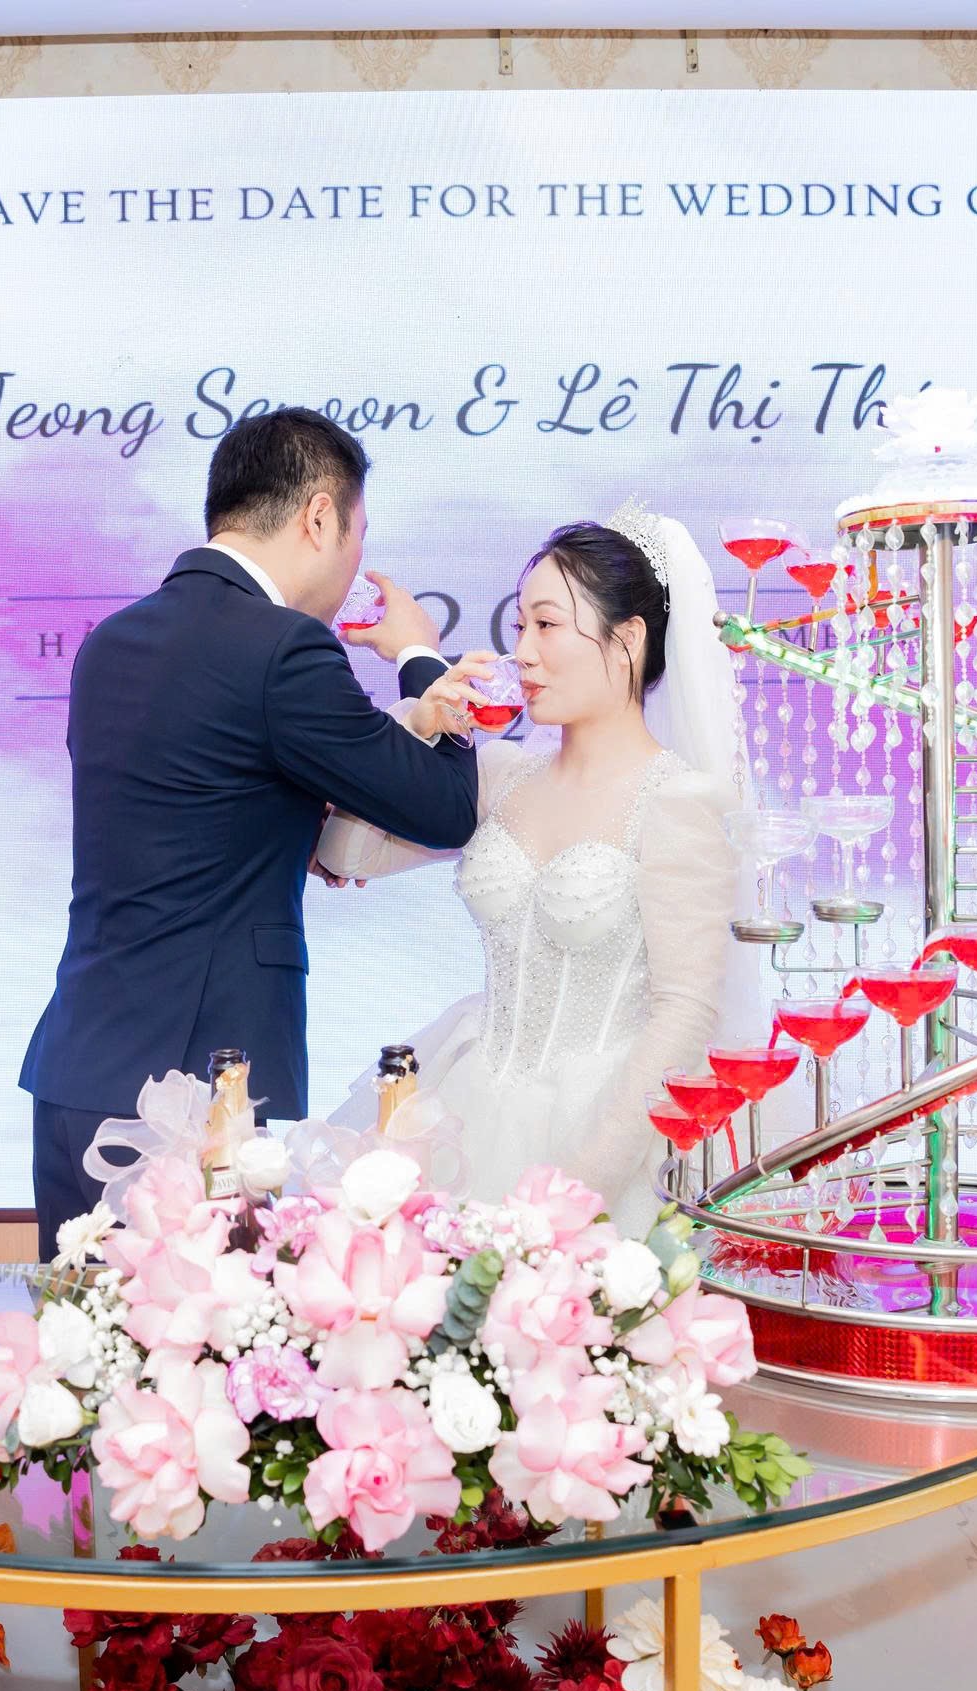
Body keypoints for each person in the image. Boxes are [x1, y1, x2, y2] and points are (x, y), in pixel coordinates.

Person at [20, 408, 490, 1251]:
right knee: (201, 1332)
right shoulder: (284, 650)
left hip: (74, 1071)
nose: (354, 565)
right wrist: (420, 655)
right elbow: (445, 807)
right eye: (358, 536)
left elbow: (193, 808)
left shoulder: (112, 643)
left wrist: (291, 833)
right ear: (319, 516)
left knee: (82, 1327)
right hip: (197, 1100)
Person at [313, 506, 748, 1226]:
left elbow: (685, 1011)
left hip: (608, 1131)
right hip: (472, 1108)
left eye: (546, 625)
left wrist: (571, 1194)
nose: (522, 653)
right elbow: (342, 853)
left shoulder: (677, 801)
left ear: (628, 639)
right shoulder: (500, 775)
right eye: (519, 626)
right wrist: (420, 721)